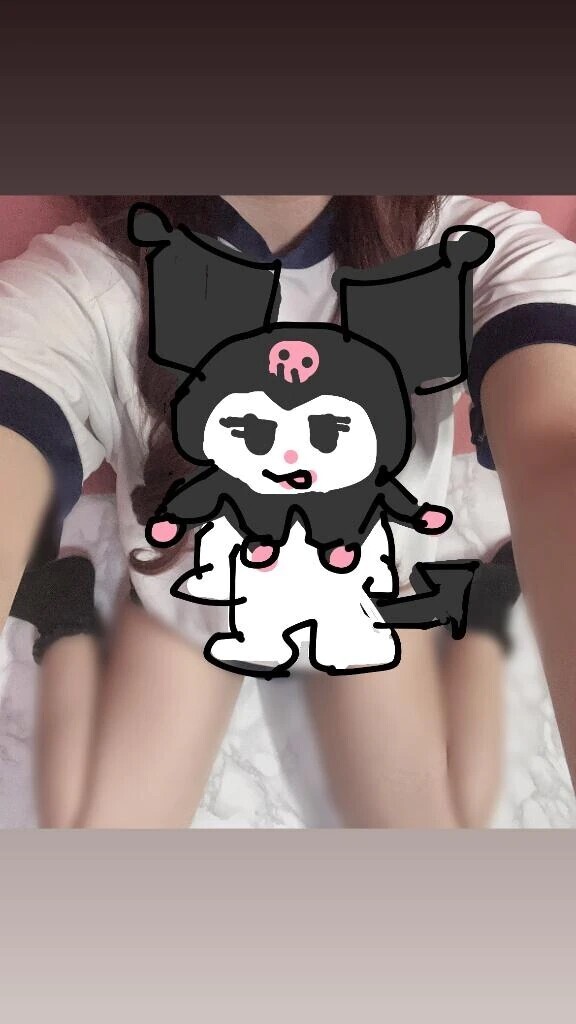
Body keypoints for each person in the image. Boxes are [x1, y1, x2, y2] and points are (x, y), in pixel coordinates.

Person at [0, 194, 574, 829]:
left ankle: (485, 617)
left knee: (440, 837)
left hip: (360, 596)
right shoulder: (93, 283)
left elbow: (556, 438)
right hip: (198, 592)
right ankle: (63, 617)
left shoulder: (468, 255)